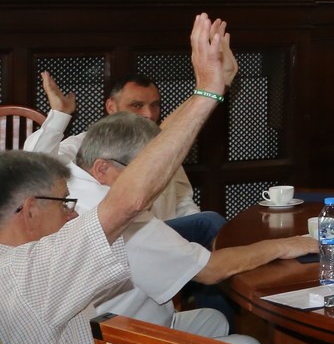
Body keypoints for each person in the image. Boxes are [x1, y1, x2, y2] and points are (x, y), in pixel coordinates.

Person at [0, 14, 232, 344]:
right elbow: (127, 200)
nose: (73, 214)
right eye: (64, 204)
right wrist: (207, 91)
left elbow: (146, 154)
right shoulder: (37, 271)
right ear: (28, 211)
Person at [71, 114, 314, 342]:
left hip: (112, 326)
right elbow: (211, 270)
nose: (157, 185)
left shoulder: (71, 183)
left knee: (214, 320)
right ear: (102, 168)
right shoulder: (121, 220)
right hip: (125, 343)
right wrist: (285, 245)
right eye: (148, 173)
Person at [30, 70, 225, 247]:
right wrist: (60, 114)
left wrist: (197, 243)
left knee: (209, 227)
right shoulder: (85, 144)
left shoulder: (165, 147)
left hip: (168, 239)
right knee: (209, 223)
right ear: (111, 106)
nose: (148, 114)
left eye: (155, 105)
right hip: (120, 240)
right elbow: (35, 167)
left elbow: (183, 201)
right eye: (136, 105)